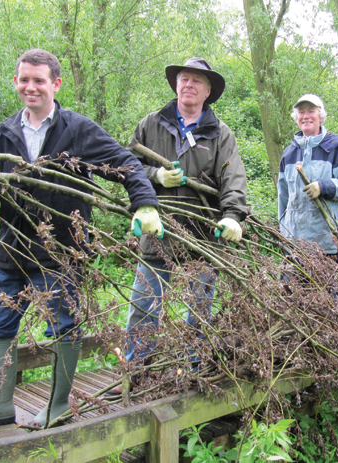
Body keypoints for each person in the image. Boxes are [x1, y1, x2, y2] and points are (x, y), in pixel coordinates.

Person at [0, 49, 162, 429]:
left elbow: (127, 164)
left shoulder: (78, 130)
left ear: (55, 84)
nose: (30, 87)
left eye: (39, 80)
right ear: (16, 82)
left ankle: (56, 405)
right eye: (24, 79)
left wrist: (146, 205)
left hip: (60, 253)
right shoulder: (6, 131)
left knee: (61, 326)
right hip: (12, 249)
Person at [104, 57, 248, 396]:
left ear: (208, 91)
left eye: (197, 80)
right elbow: (127, 166)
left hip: (201, 237)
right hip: (159, 235)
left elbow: (233, 177)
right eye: (184, 78)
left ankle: (192, 372)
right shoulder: (151, 125)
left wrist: (232, 215)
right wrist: (155, 176)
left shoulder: (221, 133)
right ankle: (135, 373)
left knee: (200, 308)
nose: (189, 84)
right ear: (176, 84)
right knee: (143, 306)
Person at [277, 94, 338, 260]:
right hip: (294, 243)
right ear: (296, 118)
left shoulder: (336, 147)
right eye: (301, 112)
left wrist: (324, 186)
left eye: (311, 111)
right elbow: (283, 198)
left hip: (327, 243)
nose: (306, 116)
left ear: (321, 117)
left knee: (326, 287)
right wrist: (282, 235)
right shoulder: (289, 153)